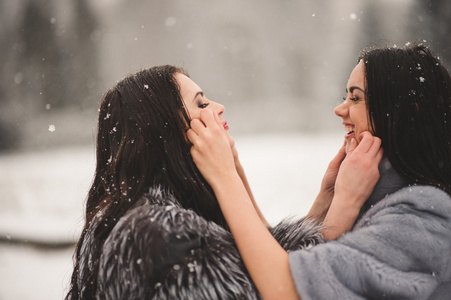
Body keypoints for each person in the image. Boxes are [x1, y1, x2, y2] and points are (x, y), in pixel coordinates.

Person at [66, 65, 363, 299]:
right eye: (201, 103)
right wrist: (343, 210)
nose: (218, 107)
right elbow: (281, 290)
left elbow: (262, 265)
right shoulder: (158, 232)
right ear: (167, 132)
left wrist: (326, 199)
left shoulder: (157, 216)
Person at [188, 42, 451, 299]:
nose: (340, 109)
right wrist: (328, 198)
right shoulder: (382, 201)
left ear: (407, 113)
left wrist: (225, 177)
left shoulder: (423, 217)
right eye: (345, 96)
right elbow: (285, 259)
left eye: (356, 97)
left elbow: (287, 288)